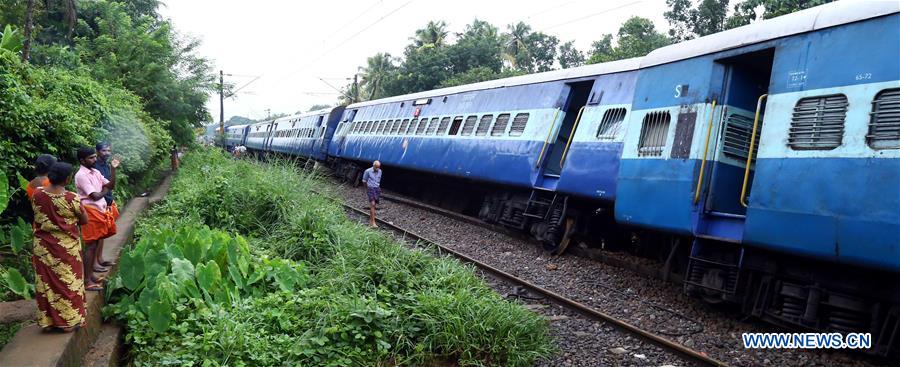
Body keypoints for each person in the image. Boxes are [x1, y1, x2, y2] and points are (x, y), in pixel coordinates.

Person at [30, 162, 89, 332]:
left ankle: (48, 322)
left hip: (43, 247)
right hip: (66, 248)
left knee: (46, 284)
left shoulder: (37, 194)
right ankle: (68, 322)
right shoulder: (71, 198)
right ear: (67, 179)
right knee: (68, 283)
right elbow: (84, 220)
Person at [74, 147, 119, 291]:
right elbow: (95, 196)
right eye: (91, 158)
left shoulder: (96, 172)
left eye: (94, 157)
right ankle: (87, 281)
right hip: (90, 211)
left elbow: (111, 185)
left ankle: (91, 276)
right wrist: (105, 190)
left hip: (99, 210)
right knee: (91, 245)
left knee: (97, 241)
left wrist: (113, 170)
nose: (94, 159)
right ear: (82, 160)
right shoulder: (81, 175)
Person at [92, 143, 119, 273]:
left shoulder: (106, 165)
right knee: (96, 235)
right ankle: (94, 263)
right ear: (97, 152)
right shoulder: (94, 167)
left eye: (108, 150)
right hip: (97, 203)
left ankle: (100, 259)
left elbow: (110, 183)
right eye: (104, 150)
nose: (107, 153)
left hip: (106, 201)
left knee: (102, 233)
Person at [361, 160, 382, 228]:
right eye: (376, 167)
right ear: (373, 166)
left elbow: (378, 180)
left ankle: (371, 221)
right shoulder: (367, 171)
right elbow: (364, 181)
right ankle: (373, 222)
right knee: (372, 204)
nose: (377, 169)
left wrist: (378, 188)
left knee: (374, 205)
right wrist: (367, 188)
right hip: (370, 188)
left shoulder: (380, 171)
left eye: (378, 167)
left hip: (377, 188)